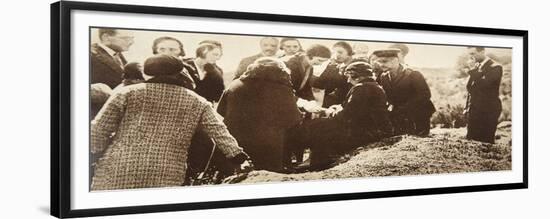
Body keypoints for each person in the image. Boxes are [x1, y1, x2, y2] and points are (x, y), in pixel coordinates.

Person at [90, 54, 250, 190]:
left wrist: (94, 154)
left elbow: (98, 130)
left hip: (118, 167)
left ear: (145, 74)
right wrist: (239, 159)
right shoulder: (198, 101)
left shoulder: (126, 93)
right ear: (180, 72)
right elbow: (220, 133)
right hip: (168, 172)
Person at [296, 61, 393, 170]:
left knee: (318, 125)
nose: (347, 80)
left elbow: (347, 116)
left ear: (357, 76)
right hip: (373, 128)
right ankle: (317, 159)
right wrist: (337, 107)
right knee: (323, 124)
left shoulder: (361, 88)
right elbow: (353, 108)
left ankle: (318, 162)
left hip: (367, 131)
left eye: (349, 76)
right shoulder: (373, 86)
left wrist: (328, 112)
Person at [218, 57, 303, 172]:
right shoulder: (281, 89)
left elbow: (220, 111)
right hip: (267, 144)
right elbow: (293, 119)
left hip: (234, 141)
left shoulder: (234, 85)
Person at [376, 49, 435, 136]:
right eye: (379, 62)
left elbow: (425, 95)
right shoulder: (383, 77)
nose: (381, 65)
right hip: (400, 115)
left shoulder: (413, 74)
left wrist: (403, 109)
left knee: (418, 138)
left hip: (419, 113)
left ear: (395, 60)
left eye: (384, 62)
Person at [465, 46, 503, 144]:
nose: (471, 57)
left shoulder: (496, 67)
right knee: (471, 141)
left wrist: (473, 70)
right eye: (469, 54)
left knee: (485, 143)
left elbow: (484, 85)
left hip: (488, 110)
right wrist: (467, 107)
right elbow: (470, 88)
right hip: (475, 110)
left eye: (473, 54)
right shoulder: (477, 67)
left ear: (482, 51)